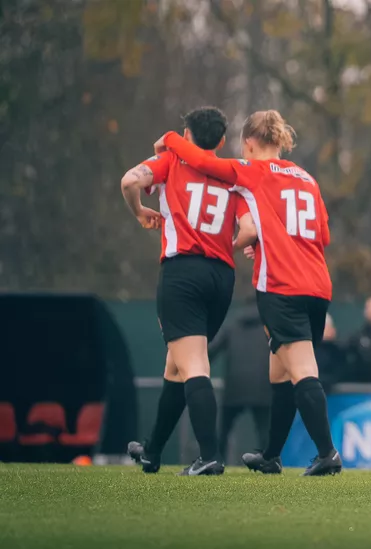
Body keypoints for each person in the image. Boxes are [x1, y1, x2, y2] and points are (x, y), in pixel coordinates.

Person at [157, 110, 341, 477]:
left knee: (302, 370)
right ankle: (271, 455)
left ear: (250, 143)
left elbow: (201, 162)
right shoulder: (306, 178)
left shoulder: (253, 171)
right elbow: (323, 235)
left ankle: (327, 453)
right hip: (318, 286)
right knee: (281, 373)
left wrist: (173, 139)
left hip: (282, 286)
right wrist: (268, 239)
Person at [122, 106, 251, 476]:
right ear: (222, 141)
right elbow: (249, 229)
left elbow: (129, 182)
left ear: (187, 135)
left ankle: (209, 455)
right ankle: (152, 451)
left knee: (193, 365)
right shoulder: (233, 174)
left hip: (183, 272)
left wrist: (140, 212)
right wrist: (224, 245)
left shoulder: (171, 161)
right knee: (176, 366)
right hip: (221, 276)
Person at [208, 295, 273, 462]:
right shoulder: (269, 327)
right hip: (262, 387)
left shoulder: (231, 325)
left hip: (234, 386)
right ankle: (268, 461)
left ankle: (214, 461)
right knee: (264, 431)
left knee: (224, 430)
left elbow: (210, 352)